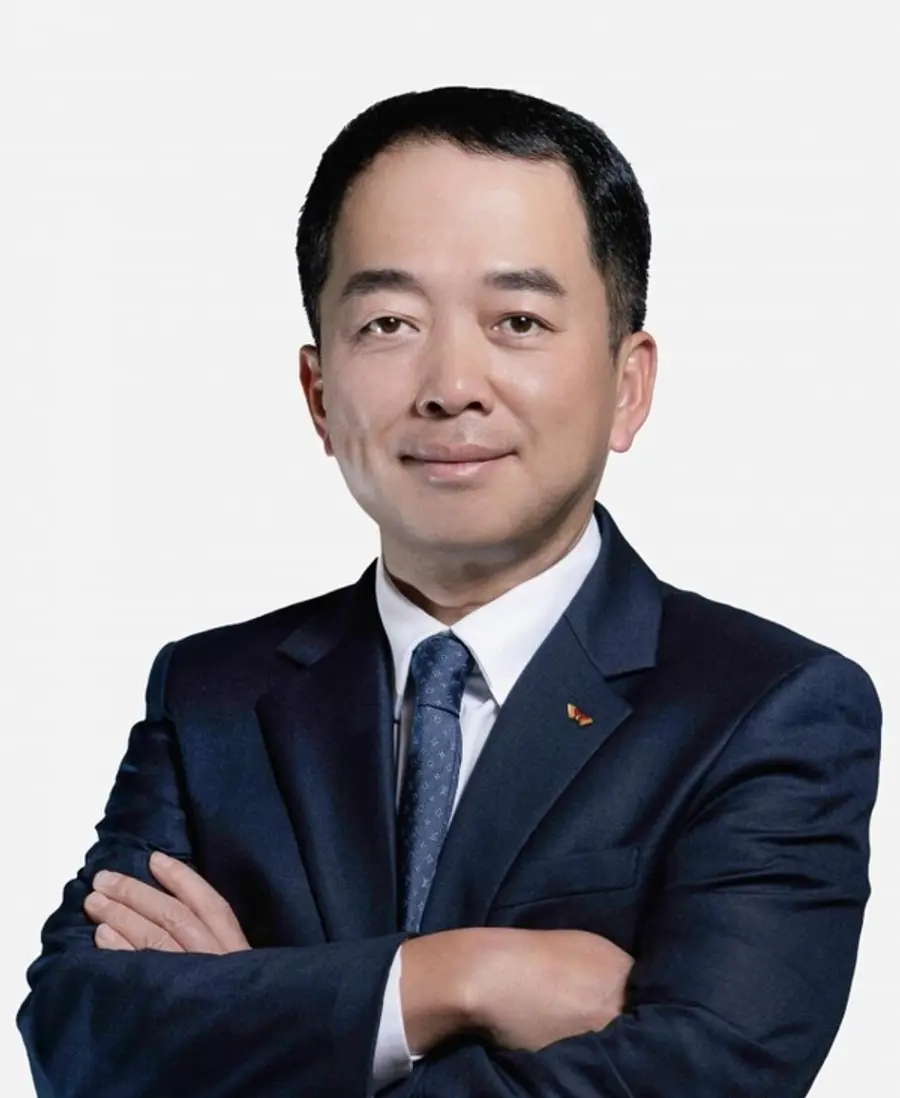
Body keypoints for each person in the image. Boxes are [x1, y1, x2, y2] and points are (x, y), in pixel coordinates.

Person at [17, 86, 881, 1098]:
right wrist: (461, 978)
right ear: (318, 394)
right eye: (389, 322)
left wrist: (252, 1016)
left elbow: (702, 1077)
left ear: (628, 385)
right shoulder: (213, 694)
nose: (451, 385)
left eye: (518, 320)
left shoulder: (768, 710)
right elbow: (79, 1041)